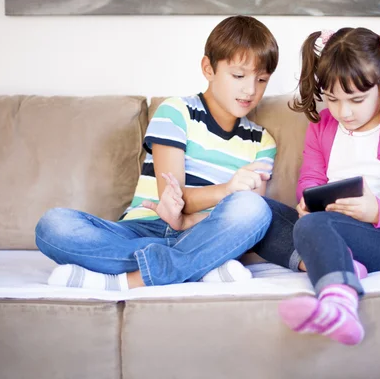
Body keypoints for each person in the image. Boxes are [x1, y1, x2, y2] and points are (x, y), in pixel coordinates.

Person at [34, 15, 282, 290]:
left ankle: (131, 279)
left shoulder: (263, 141)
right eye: (238, 76)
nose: (250, 90)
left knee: (256, 210)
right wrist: (226, 190)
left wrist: (191, 222)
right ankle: (199, 267)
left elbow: (249, 216)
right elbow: (172, 198)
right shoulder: (176, 112)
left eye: (262, 80)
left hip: (203, 233)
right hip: (143, 229)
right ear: (208, 68)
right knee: (53, 225)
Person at [265, 27, 380, 345]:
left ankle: (340, 305)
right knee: (258, 213)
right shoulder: (321, 128)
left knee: (311, 228)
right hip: (330, 224)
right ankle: (344, 263)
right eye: (333, 99)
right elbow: (311, 178)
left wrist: (378, 211)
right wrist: (307, 200)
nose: (344, 112)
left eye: (356, 99)